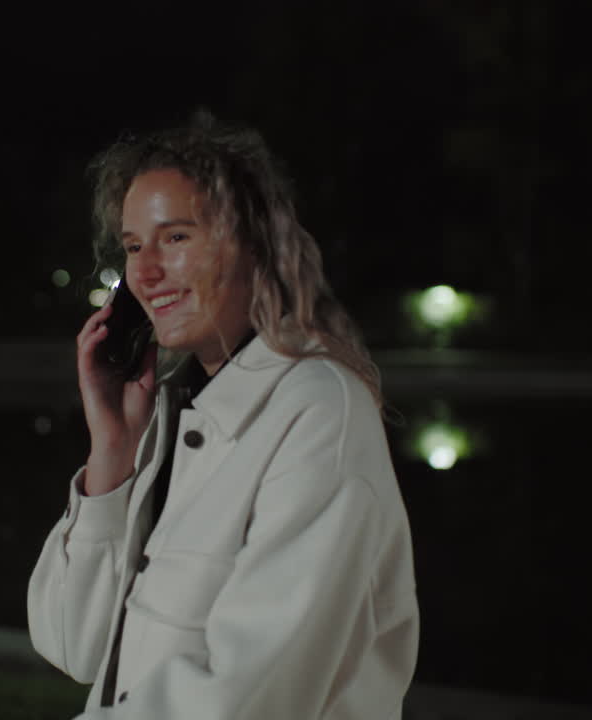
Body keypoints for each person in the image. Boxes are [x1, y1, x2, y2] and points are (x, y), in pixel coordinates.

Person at [27, 114, 418, 719]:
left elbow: (247, 696)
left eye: (176, 238)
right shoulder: (175, 416)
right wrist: (112, 455)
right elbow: (74, 644)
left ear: (254, 244)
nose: (146, 272)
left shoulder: (317, 412)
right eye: (133, 247)